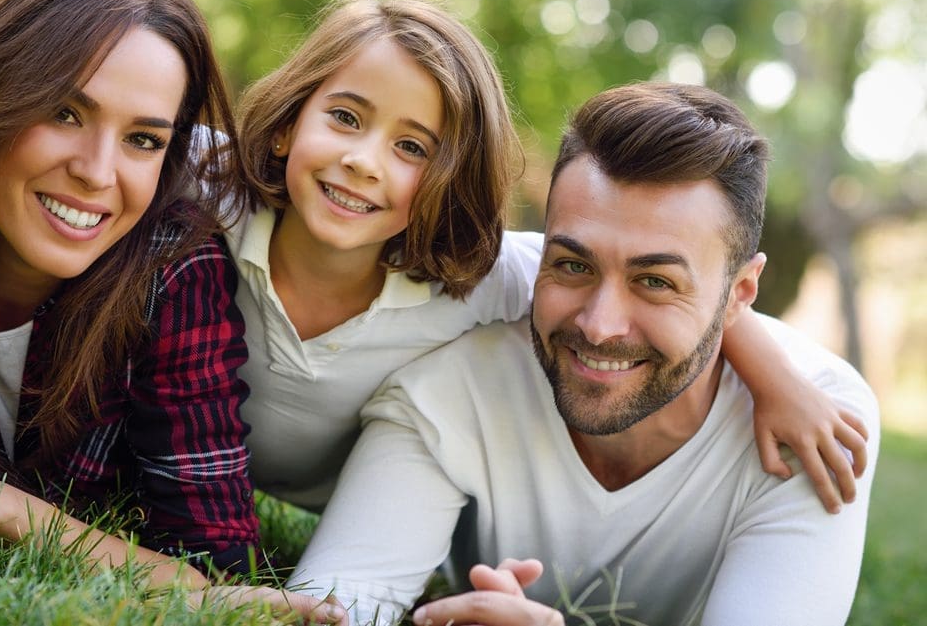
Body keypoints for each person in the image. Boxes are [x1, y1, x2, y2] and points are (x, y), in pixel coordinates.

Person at [228, 0, 868, 516]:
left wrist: (776, 382)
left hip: (364, 501)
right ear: (288, 121)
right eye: (344, 117)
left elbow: (654, 284)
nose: (363, 163)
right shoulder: (206, 202)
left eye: (413, 148)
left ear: (452, 177)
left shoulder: (482, 279)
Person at [0, 0, 342, 624]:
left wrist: (5, 506)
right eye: (64, 112)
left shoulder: (173, 270)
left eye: (143, 138)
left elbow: (218, 568)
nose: (96, 171)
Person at [289, 82, 880, 626]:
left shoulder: (818, 424)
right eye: (573, 266)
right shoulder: (449, 389)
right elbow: (333, 607)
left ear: (739, 296)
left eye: (655, 281)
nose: (599, 326)